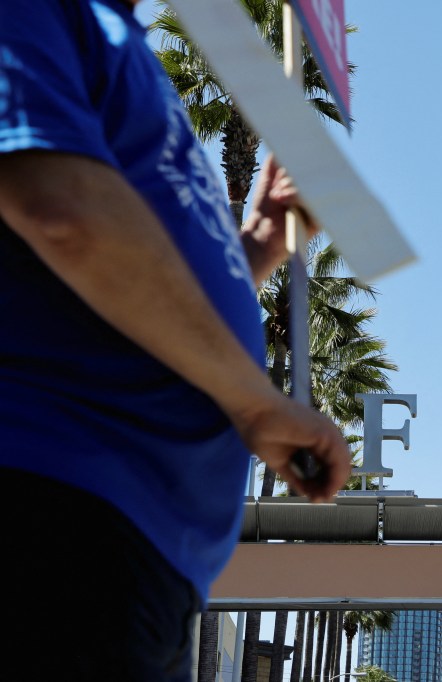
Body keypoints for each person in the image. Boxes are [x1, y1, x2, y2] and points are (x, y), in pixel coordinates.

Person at [0, 2, 352, 679]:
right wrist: (256, 404)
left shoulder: (120, 45)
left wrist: (261, 241)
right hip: (53, 515)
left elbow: (136, 288)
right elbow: (63, 209)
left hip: (137, 558)